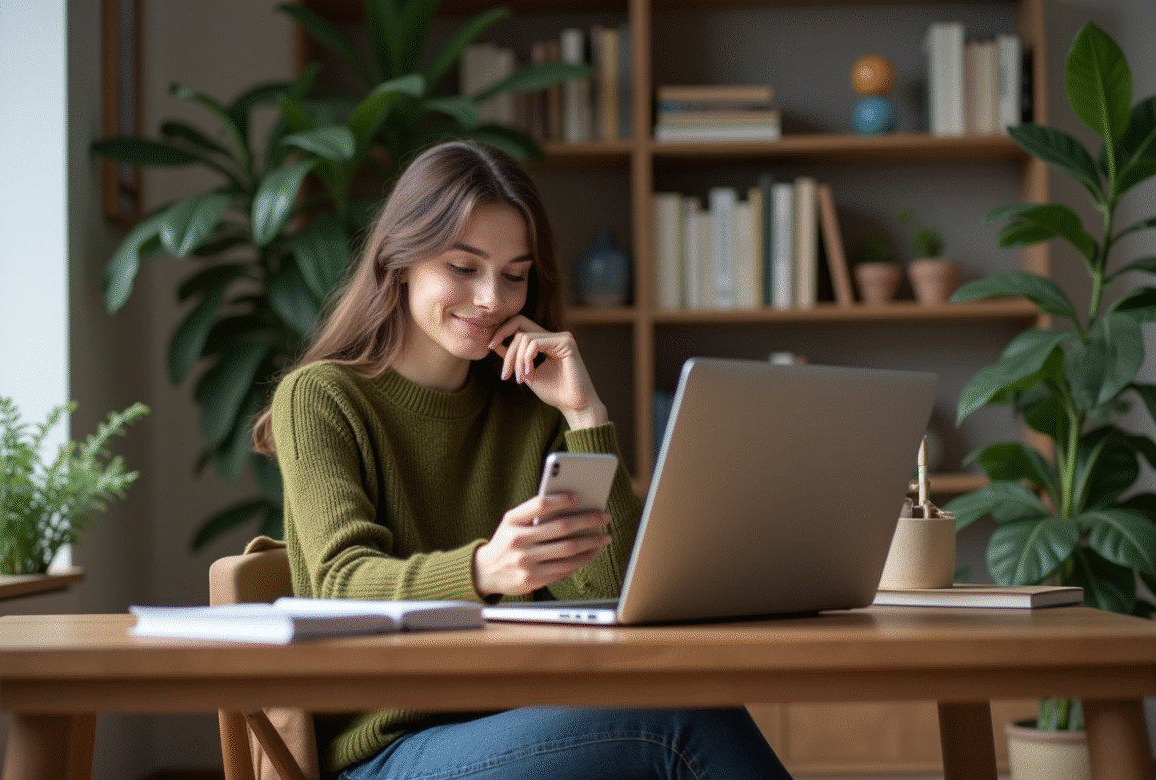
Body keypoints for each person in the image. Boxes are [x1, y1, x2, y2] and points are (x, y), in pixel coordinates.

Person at [253, 139, 793, 780]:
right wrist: (483, 569)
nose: (490, 299)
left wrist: (585, 415)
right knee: (685, 722)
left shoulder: (529, 402)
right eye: (463, 267)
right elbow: (341, 583)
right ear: (400, 263)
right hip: (389, 751)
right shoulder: (320, 398)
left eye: (514, 275)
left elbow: (610, 595)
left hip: (529, 723)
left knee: (690, 712)